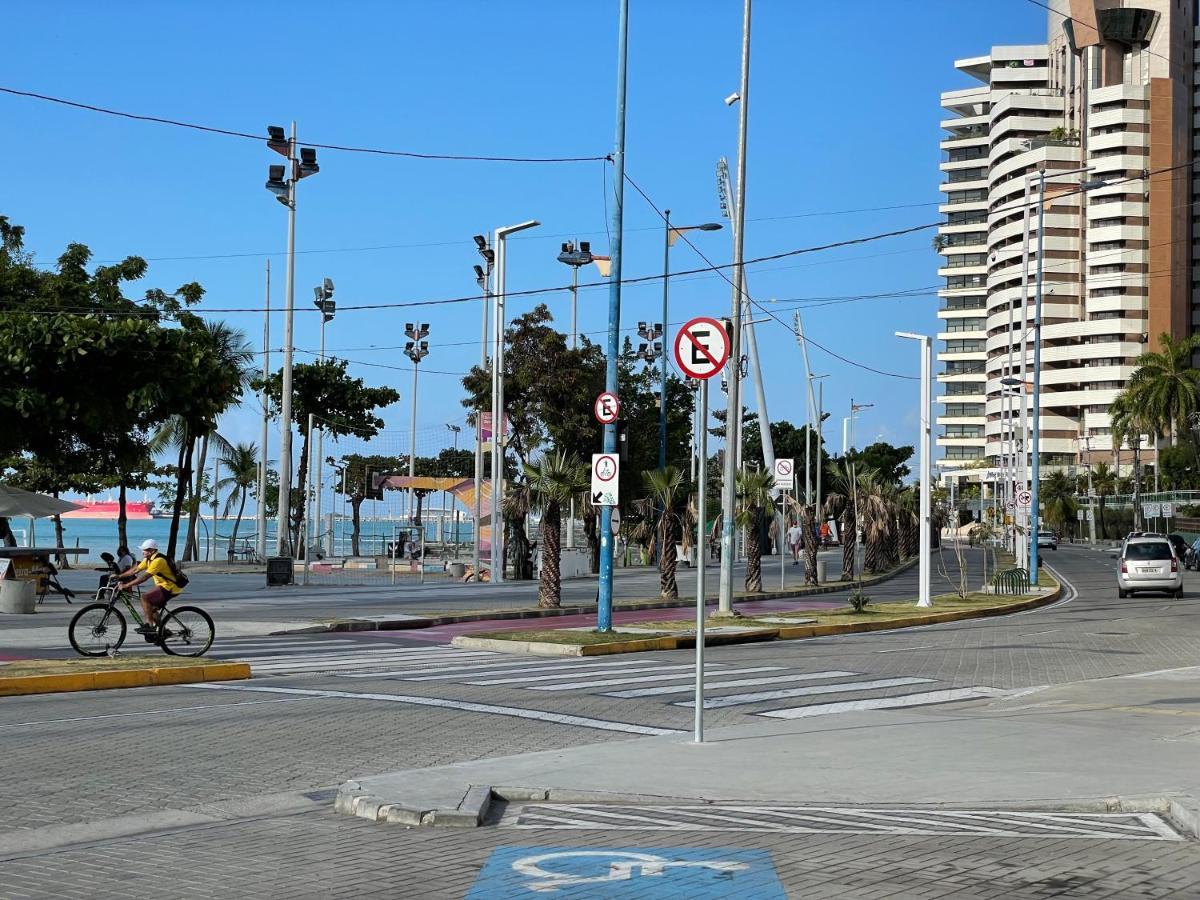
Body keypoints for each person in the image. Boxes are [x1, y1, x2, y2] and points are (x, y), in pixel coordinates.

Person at [116, 539, 184, 635]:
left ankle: (149, 625)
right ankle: (163, 632)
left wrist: (126, 585)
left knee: (145, 598)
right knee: (151, 610)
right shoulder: (148, 559)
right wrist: (119, 576)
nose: (142, 552)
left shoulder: (158, 561)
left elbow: (144, 577)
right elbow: (135, 569)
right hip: (164, 586)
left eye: (145, 550)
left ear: (152, 551)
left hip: (170, 587)